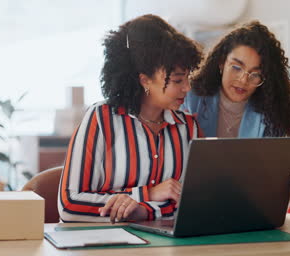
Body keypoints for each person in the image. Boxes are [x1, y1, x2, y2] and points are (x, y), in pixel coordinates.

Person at [58, 14, 203, 223]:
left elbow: (190, 204)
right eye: (177, 80)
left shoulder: (189, 128)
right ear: (144, 80)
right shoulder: (101, 119)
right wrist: (148, 195)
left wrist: (143, 211)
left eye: (188, 78)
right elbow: (69, 204)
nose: (187, 88)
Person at [182, 21, 290, 138]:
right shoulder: (190, 98)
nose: (243, 80)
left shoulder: (271, 113)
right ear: (222, 62)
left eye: (255, 74)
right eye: (236, 68)